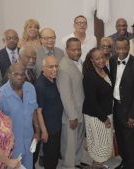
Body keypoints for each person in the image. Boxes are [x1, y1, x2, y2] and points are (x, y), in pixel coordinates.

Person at [110, 37, 134, 169]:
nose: (121, 51)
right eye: (118, 48)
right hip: (116, 106)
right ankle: (125, 162)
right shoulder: (112, 61)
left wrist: (133, 115)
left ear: (129, 48)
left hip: (130, 109)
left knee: (131, 142)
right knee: (120, 138)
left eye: (124, 48)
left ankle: (133, 165)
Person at [0, 64, 39, 169]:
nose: (19, 77)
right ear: (9, 75)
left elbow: (34, 110)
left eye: (22, 74)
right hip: (12, 146)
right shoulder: (1, 95)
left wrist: (37, 131)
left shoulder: (30, 88)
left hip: (29, 142)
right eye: (16, 74)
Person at [56, 37, 86, 169]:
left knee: (78, 140)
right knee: (69, 144)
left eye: (79, 49)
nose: (77, 52)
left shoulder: (80, 62)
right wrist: (72, 116)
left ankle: (76, 163)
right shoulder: (63, 67)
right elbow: (66, 95)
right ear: (67, 50)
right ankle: (69, 165)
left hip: (81, 110)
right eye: (73, 50)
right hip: (71, 114)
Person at [82, 48, 113, 169]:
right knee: (99, 142)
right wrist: (104, 118)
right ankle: (97, 165)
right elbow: (92, 101)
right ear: (91, 60)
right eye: (97, 58)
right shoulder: (89, 76)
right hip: (95, 116)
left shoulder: (104, 69)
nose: (101, 60)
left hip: (106, 111)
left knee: (104, 141)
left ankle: (98, 164)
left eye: (102, 57)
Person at [35, 56, 63, 169]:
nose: (55, 69)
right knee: (50, 159)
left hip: (57, 125)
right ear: (43, 68)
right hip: (49, 129)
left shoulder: (54, 80)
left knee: (55, 155)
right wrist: (44, 131)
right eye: (51, 67)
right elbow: (38, 111)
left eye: (56, 66)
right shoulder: (40, 85)